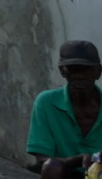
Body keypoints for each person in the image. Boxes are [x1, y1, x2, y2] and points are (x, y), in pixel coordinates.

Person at [27, 39, 102, 177]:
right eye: (73, 70)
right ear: (63, 72)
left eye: (85, 70)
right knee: (51, 166)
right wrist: (78, 160)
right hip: (66, 173)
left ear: (98, 72)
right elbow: (41, 159)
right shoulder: (46, 102)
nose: (79, 76)